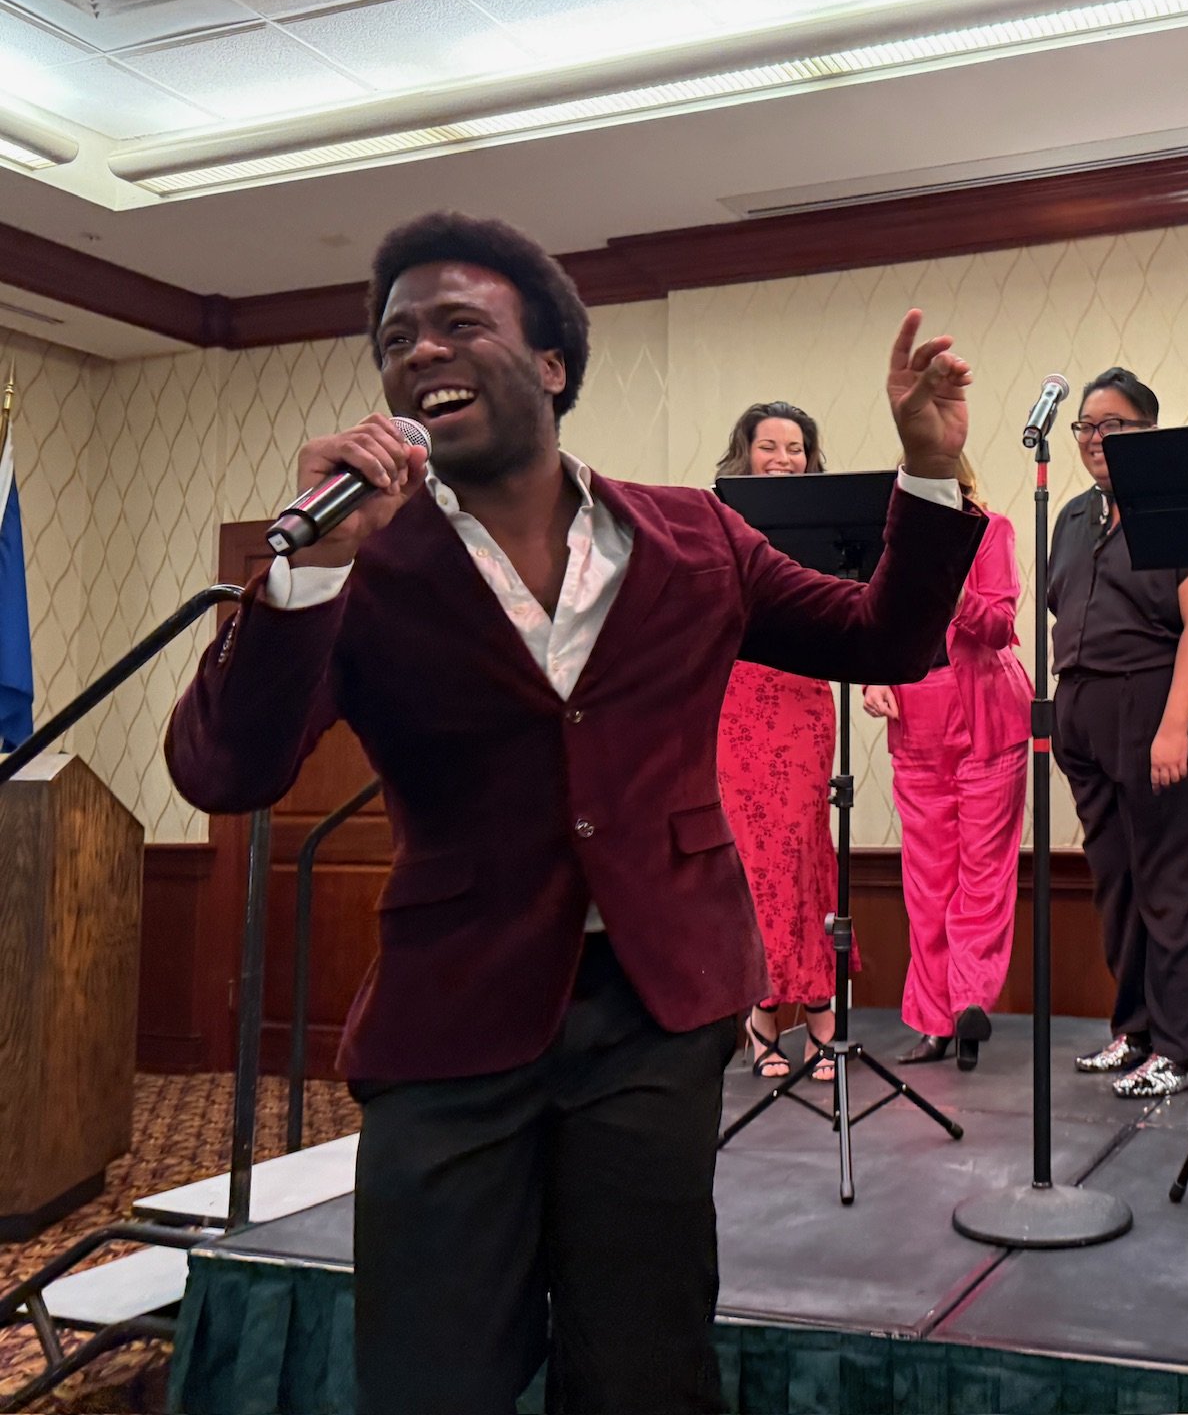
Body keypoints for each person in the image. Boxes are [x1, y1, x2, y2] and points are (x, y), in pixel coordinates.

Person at [163, 211, 983, 1412]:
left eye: (458, 324)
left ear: (551, 363)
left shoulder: (695, 534)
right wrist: (311, 570)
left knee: (642, 1366)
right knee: (430, 1375)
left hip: (654, 1013)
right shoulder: (364, 562)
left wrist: (923, 468)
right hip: (451, 1018)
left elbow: (881, 638)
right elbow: (224, 771)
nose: (420, 352)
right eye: (396, 340)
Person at [1049, 367, 1188, 1098]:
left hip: (1161, 707)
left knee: (1177, 882)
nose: (1096, 438)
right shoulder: (1074, 516)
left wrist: (1175, 726)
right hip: (1086, 711)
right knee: (1119, 882)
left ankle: (1186, 1046)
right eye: (1087, 426)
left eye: (1115, 426)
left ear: (1150, 434)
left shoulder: (1186, 506)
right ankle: (1136, 1029)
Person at [862, 454, 1029, 1071]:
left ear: (958, 482)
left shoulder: (990, 530)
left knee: (983, 875)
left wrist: (952, 590)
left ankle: (968, 1004)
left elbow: (1000, 626)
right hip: (917, 720)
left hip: (987, 717)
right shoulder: (889, 548)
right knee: (928, 881)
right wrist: (873, 677)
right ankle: (935, 1021)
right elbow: (871, 627)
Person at [714, 401, 848, 1084]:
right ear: (746, 453)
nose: (784, 459)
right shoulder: (721, 521)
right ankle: (763, 1011)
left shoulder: (826, 527)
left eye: (796, 448)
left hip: (802, 694)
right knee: (752, 856)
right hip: (739, 698)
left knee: (802, 849)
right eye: (770, 446)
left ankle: (820, 1002)